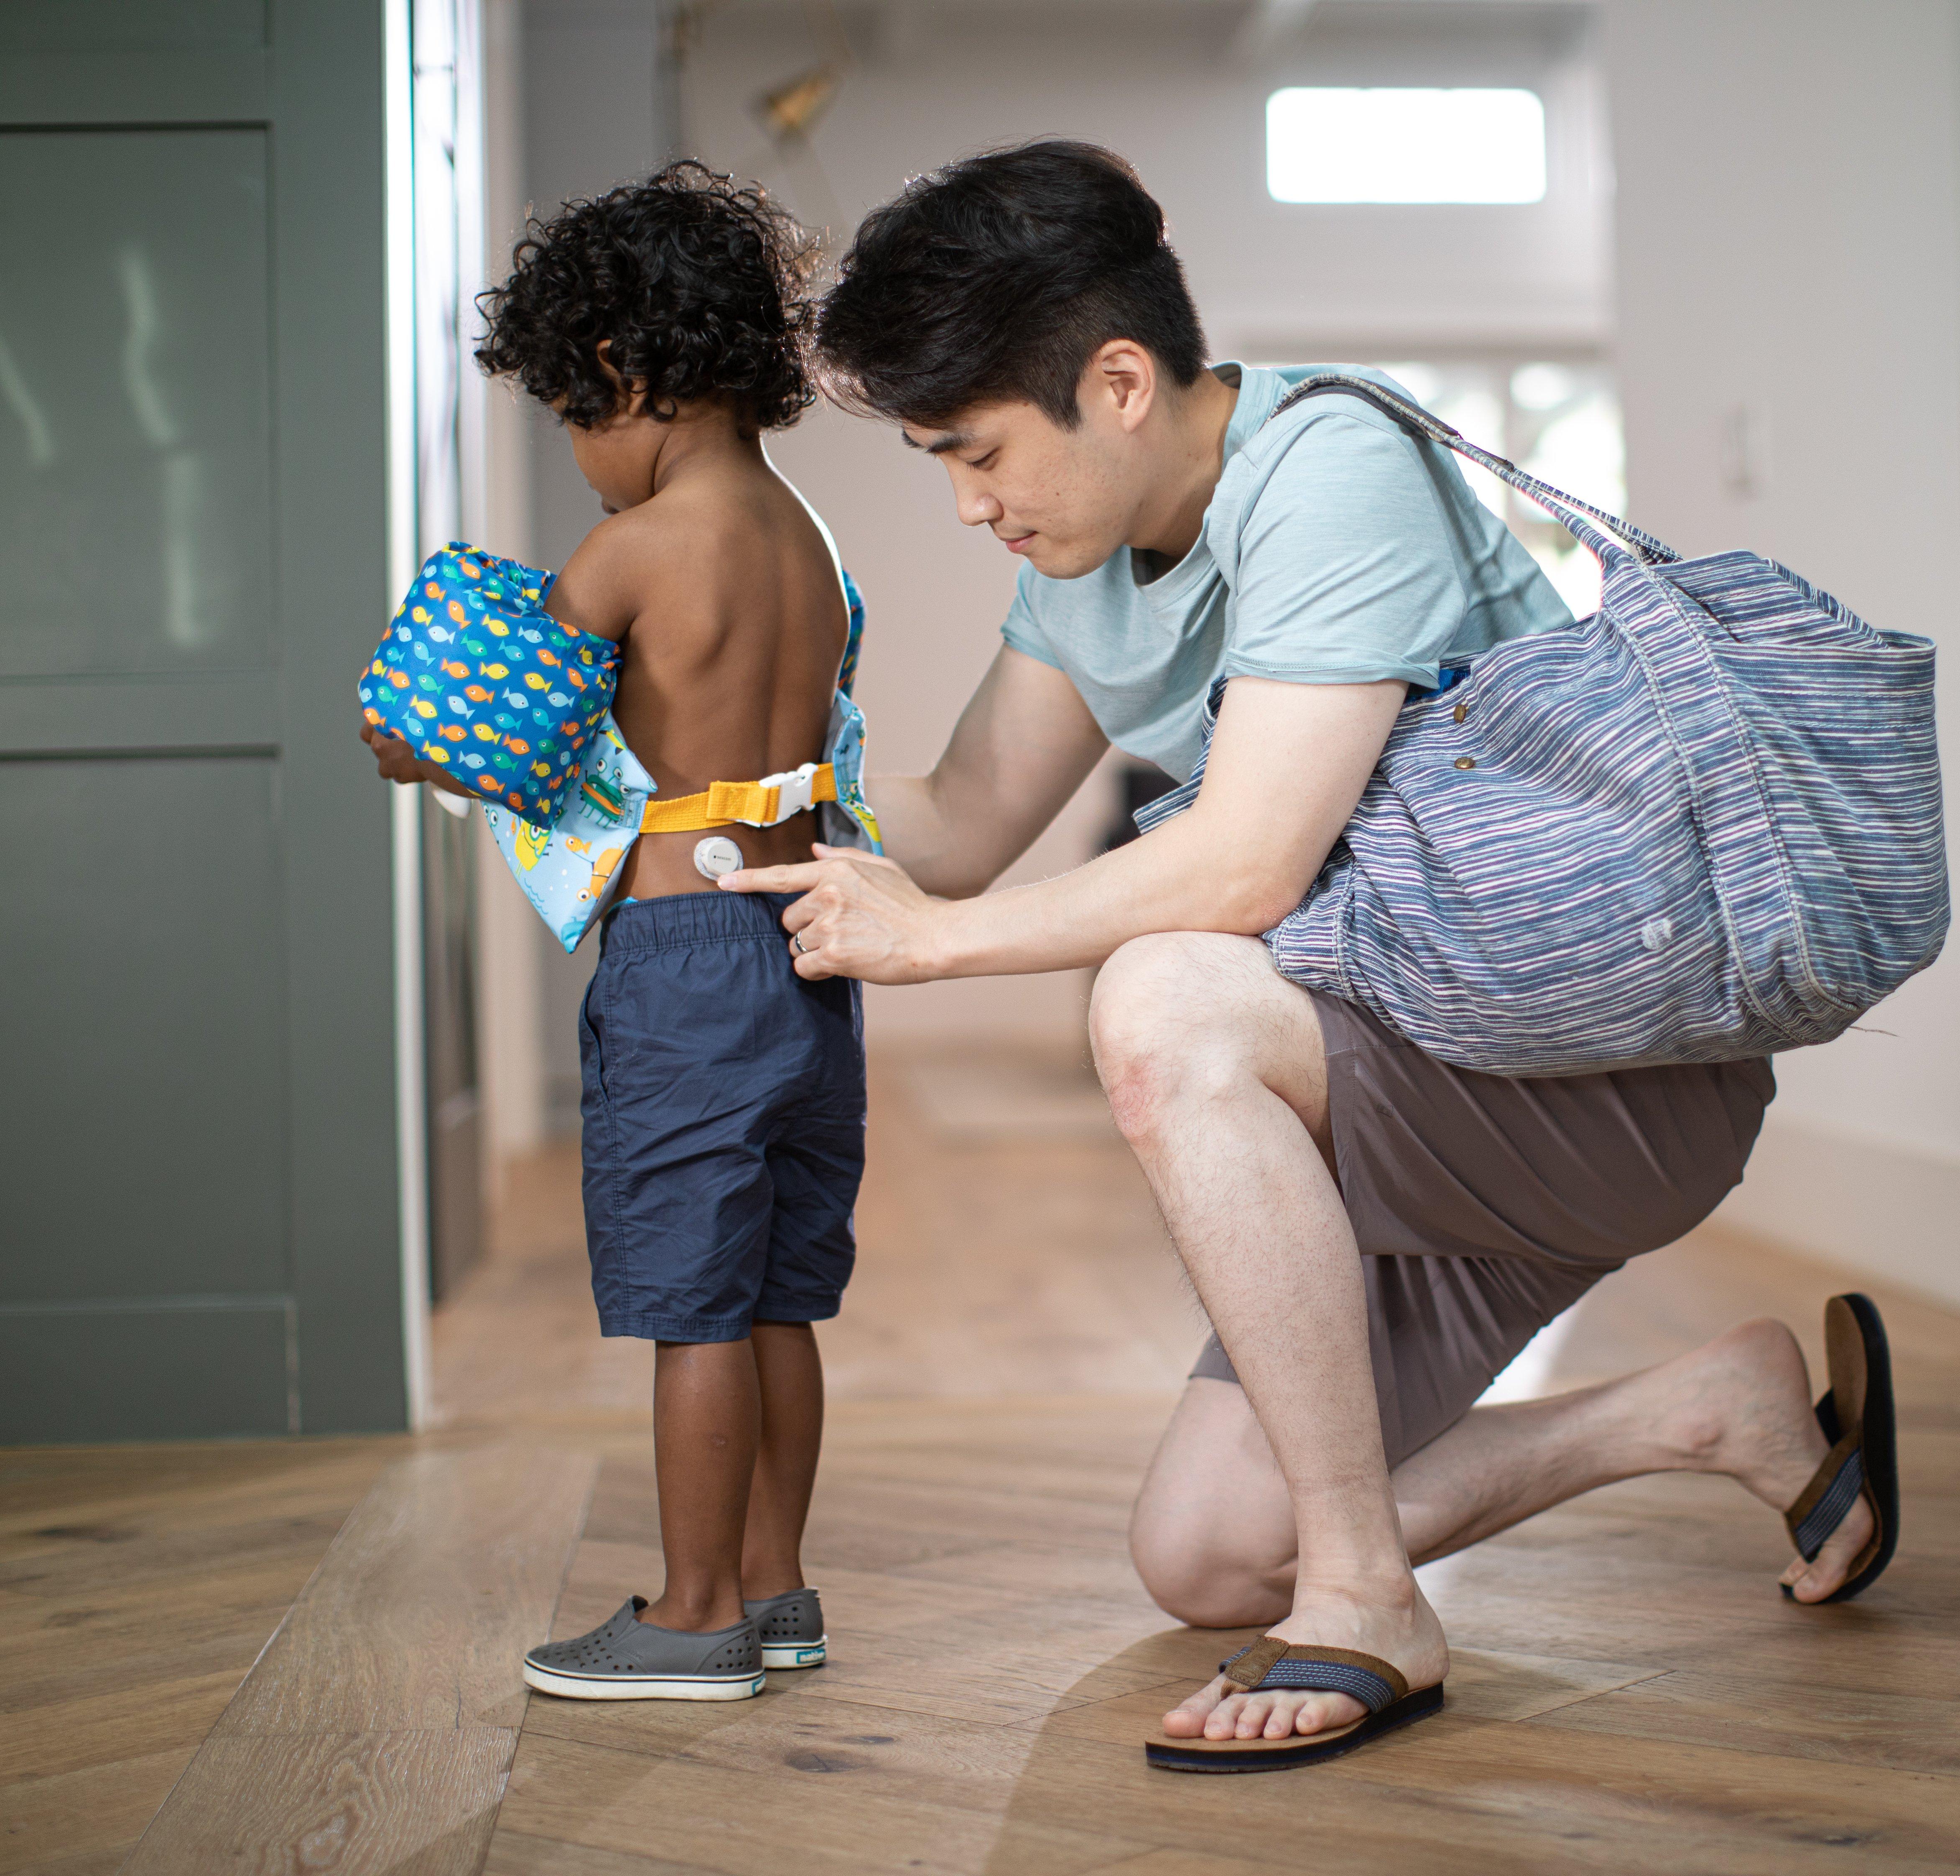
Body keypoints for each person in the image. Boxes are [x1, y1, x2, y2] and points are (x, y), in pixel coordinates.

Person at [731, 141, 1893, 1768]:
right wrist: (703, 780)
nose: (968, 502)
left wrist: (935, 953)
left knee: (1165, 991)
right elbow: (964, 813)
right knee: (1205, 1557)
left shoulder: (1330, 469)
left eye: (980, 452)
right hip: (1411, 1098)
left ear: (1120, 382)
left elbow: (1249, 860)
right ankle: (1708, 1411)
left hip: (1602, 1081)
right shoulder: (1079, 572)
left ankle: (1369, 1603)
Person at [363, 163, 861, 1701]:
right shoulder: (809, 539)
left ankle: (692, 1611)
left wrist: (408, 741)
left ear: (628, 377)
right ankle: (778, 1591)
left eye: (577, 418)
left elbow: (490, 735)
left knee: (691, 1302)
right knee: (777, 1293)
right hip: (804, 946)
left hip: (681, 968)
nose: (582, 460)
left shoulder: (634, 552)